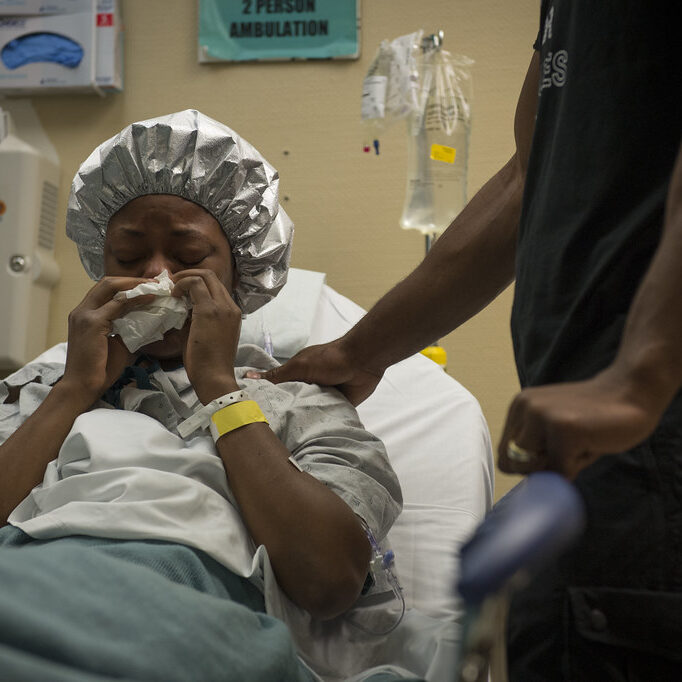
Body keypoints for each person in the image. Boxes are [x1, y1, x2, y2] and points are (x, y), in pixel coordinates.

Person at [252, 2, 682, 679]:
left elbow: (331, 572)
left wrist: (643, 378)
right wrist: (359, 351)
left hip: (653, 427)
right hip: (593, 446)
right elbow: (526, 179)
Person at [0, 110, 415, 682]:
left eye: (189, 258)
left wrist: (219, 386)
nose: (156, 277)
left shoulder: (299, 402)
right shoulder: (45, 393)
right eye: (127, 258)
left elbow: (327, 581)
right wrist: (74, 389)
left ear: (238, 274)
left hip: (191, 623)